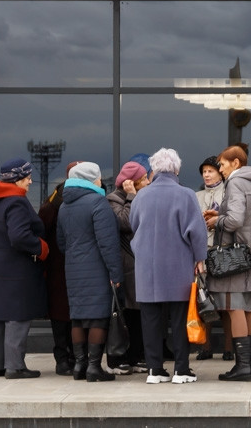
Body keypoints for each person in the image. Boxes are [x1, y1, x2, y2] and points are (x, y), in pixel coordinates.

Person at [130, 148, 208, 384]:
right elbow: (197, 232)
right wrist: (200, 258)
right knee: (180, 318)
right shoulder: (186, 194)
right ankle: (181, 369)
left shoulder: (141, 196)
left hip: (147, 266)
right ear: (177, 169)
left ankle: (154, 370)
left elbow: (134, 225)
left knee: (150, 319)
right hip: (178, 264)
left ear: (153, 170)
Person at [57, 161, 125, 383]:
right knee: (98, 318)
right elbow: (108, 244)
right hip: (97, 269)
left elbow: (61, 242)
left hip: (73, 269)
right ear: (91, 180)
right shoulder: (98, 202)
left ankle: (80, 365)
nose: (100, 182)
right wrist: (116, 274)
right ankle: (94, 367)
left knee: (77, 318)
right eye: (98, 178)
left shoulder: (64, 206)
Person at [203, 145, 251, 382]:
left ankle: (242, 367)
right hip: (250, 248)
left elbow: (235, 220)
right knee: (249, 305)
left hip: (234, 254)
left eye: (222, 164)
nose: (220, 169)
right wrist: (221, 216)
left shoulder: (236, 182)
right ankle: (250, 365)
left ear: (236, 163)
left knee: (234, 305)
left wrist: (217, 221)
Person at [0, 158, 49, 379]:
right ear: (17, 179)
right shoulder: (16, 202)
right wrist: (41, 248)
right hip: (16, 268)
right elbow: (19, 236)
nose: (30, 181)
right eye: (27, 177)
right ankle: (15, 366)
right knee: (17, 315)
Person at [105, 160, 151, 375]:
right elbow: (125, 223)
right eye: (144, 179)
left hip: (140, 262)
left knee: (138, 312)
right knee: (125, 312)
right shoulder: (113, 199)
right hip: (125, 264)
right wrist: (131, 196)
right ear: (131, 182)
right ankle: (119, 357)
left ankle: (136, 356)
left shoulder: (143, 197)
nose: (148, 182)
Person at [37, 160, 82, 376]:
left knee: (67, 313)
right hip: (59, 266)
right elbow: (40, 229)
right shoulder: (56, 202)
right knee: (64, 313)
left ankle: (67, 357)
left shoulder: (54, 200)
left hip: (64, 266)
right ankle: (65, 358)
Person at [193, 156, 231, 361]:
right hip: (203, 252)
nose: (206, 175)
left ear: (220, 173)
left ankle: (229, 348)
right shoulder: (196, 196)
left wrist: (218, 219)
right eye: (204, 171)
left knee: (226, 303)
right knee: (204, 301)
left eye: (211, 171)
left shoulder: (229, 193)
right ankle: (205, 347)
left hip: (224, 252)